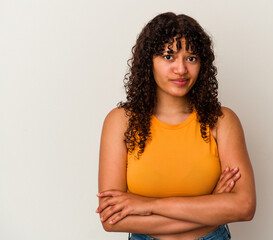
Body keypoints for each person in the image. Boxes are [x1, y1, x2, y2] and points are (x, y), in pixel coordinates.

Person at [96, 12, 256, 240]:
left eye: (191, 58)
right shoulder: (121, 122)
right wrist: (211, 207)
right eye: (168, 57)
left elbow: (244, 206)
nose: (181, 69)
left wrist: (147, 205)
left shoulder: (222, 120)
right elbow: (111, 220)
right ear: (148, 61)